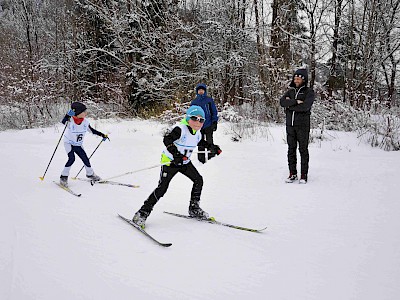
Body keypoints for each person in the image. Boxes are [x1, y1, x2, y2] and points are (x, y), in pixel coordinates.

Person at [132, 105, 222, 228]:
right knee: (162, 188)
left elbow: (199, 142)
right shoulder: (180, 129)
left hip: (184, 163)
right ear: (188, 118)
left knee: (198, 180)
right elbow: (167, 140)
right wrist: (176, 155)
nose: (198, 122)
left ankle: (194, 208)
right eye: (195, 118)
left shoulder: (198, 133)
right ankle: (141, 214)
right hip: (170, 162)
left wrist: (212, 147)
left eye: (202, 120)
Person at [59, 101, 109, 187]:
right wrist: (67, 115)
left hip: (78, 144)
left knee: (85, 159)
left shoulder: (85, 122)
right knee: (71, 159)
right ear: (78, 113)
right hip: (69, 143)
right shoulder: (70, 121)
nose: (86, 113)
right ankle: (63, 176)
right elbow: (63, 122)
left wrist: (102, 135)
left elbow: (92, 130)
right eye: (84, 111)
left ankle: (90, 174)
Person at [279, 68, 315, 184]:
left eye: (298, 78)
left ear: (303, 80)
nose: (296, 80)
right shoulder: (290, 91)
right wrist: (295, 102)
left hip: (302, 126)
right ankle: (292, 173)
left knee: (303, 150)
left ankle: (303, 175)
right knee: (291, 149)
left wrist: (290, 106)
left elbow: (305, 107)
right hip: (290, 125)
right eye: (295, 78)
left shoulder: (309, 92)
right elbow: (282, 102)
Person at [191, 83, 219, 163]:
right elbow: (191, 114)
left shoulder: (209, 100)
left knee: (210, 141)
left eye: (202, 90)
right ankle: (201, 160)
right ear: (197, 91)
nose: (201, 91)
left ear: (204, 91)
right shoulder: (194, 102)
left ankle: (212, 158)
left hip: (208, 124)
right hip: (198, 125)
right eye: (199, 90)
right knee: (200, 142)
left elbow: (213, 111)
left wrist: (214, 121)